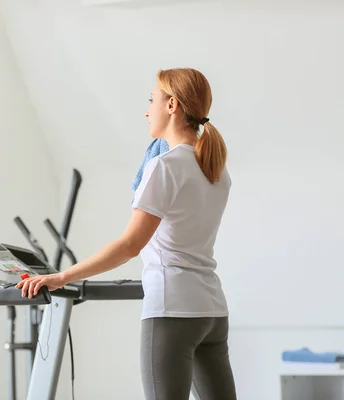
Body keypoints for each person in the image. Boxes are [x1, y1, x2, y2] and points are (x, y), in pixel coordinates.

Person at [16, 67, 237, 400]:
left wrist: (61, 277)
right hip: (212, 310)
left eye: (153, 101)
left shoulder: (165, 166)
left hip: (172, 309)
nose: (147, 110)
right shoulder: (217, 171)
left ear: (172, 105)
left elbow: (129, 245)